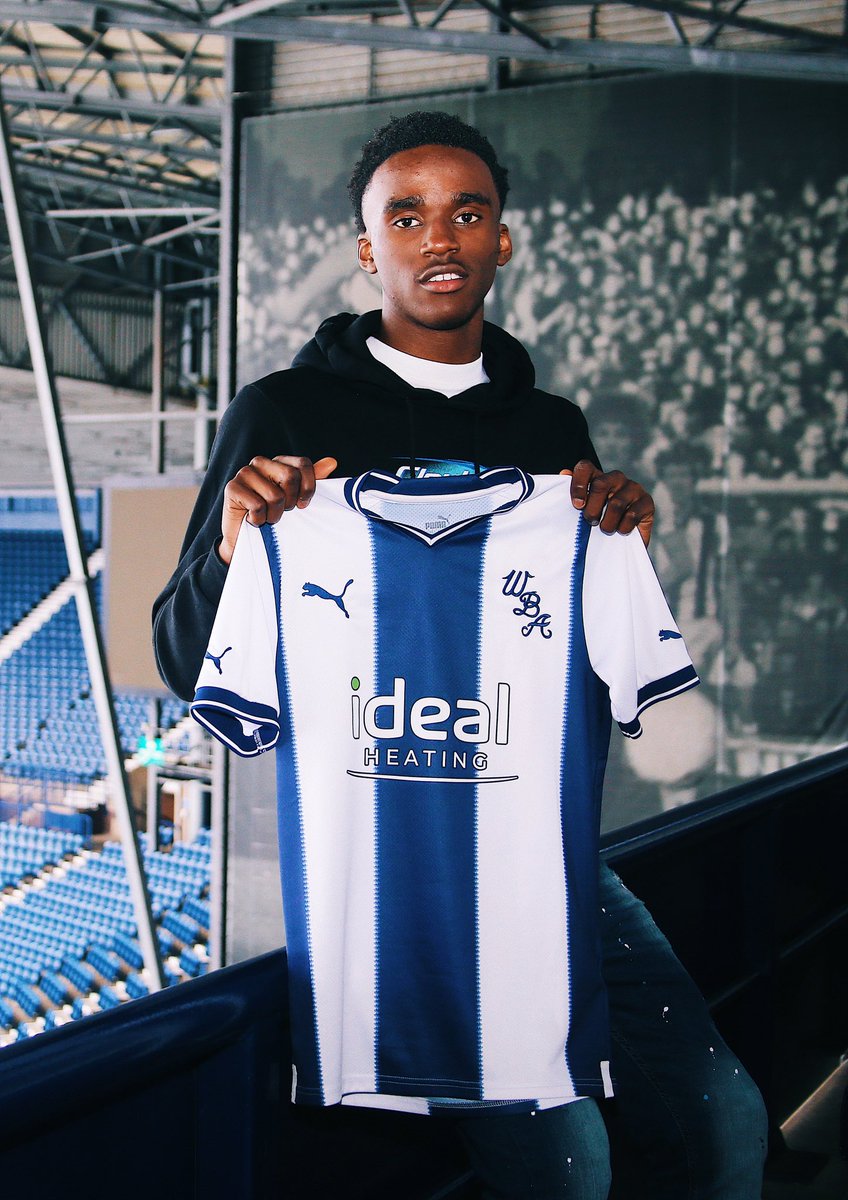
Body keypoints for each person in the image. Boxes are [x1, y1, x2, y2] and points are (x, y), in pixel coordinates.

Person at [153, 111, 767, 1199]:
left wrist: (618, 535)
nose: (437, 238)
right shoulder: (285, 412)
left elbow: (575, 664)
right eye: (406, 215)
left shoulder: (547, 431)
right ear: (366, 248)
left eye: (465, 213)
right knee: (566, 1171)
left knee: (722, 1121)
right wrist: (234, 546)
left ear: (501, 241)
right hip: (394, 877)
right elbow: (183, 655)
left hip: (545, 861)